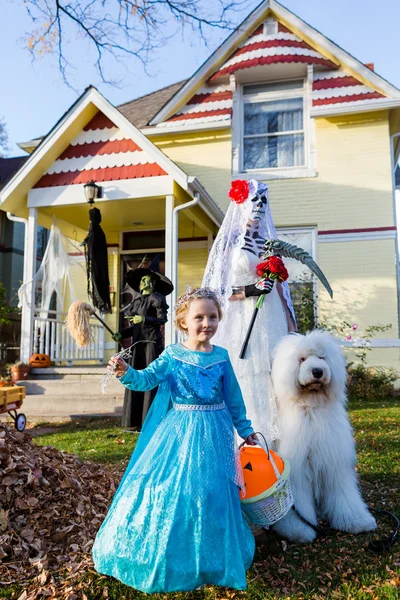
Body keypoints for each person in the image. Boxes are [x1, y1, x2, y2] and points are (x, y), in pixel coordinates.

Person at [92, 288, 257, 593]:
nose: (206, 323)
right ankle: (175, 549)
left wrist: (246, 430)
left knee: (213, 488)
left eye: (212, 316)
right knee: (177, 487)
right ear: (183, 322)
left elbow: (234, 399)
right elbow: (145, 380)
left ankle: (214, 552)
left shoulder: (221, 357)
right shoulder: (172, 355)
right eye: (199, 317)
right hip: (180, 432)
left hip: (217, 431)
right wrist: (126, 371)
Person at [202, 179, 297, 445]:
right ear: (242, 204)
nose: (259, 208)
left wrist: (291, 325)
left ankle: (279, 444)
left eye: (263, 202)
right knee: (247, 371)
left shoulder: (269, 245)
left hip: (271, 317)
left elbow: (281, 290)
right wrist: (251, 290)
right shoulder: (229, 245)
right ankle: (247, 441)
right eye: (254, 201)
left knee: (274, 370)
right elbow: (217, 290)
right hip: (242, 320)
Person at [118, 257, 173, 429]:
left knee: (150, 377)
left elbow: (162, 319)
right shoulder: (136, 302)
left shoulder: (157, 299)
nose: (142, 282)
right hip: (138, 346)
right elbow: (134, 327)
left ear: (153, 282)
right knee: (135, 376)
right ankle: (133, 421)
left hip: (151, 344)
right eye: (141, 280)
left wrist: (144, 318)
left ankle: (150, 420)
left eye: (145, 279)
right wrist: (121, 333)